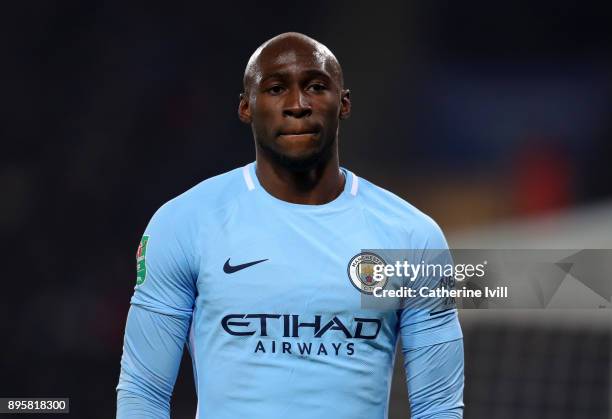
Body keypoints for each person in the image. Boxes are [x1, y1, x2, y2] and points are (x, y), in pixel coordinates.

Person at [116, 32, 464, 419]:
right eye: (276, 88)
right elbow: (143, 392)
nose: (297, 105)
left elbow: (438, 407)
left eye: (316, 86)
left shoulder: (412, 236)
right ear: (246, 107)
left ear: (344, 103)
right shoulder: (184, 223)